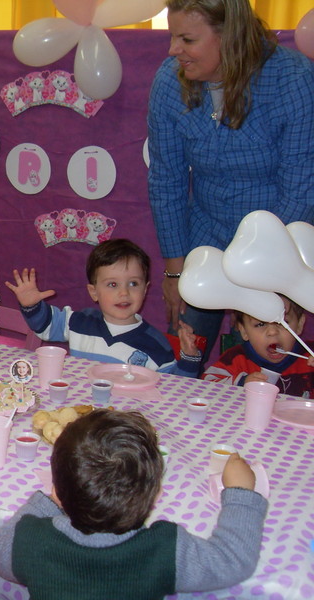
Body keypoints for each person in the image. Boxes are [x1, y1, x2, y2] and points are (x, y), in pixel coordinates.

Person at [147, 0, 314, 364]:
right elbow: (166, 180)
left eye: (187, 39)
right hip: (205, 235)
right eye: (173, 36)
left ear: (229, 36)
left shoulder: (293, 79)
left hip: (276, 242)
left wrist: (273, 275)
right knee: (183, 356)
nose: (173, 49)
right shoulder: (169, 81)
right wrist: (175, 271)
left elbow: (301, 188)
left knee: (263, 364)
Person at [0, 409, 268, 598]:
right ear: (155, 493)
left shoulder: (32, 541)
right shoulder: (163, 550)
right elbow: (233, 560)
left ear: (58, 487)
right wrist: (241, 493)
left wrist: (48, 501)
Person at [6, 239, 201, 377]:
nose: (124, 293)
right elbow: (46, 326)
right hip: (81, 408)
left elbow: (175, 387)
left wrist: (189, 358)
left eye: (133, 283)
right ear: (94, 292)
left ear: (145, 289)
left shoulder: (155, 344)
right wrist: (31, 305)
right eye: (112, 284)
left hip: (124, 417)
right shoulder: (79, 322)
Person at [203, 296, 314, 397]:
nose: (272, 332)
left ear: (299, 324)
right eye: (260, 324)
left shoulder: (310, 356)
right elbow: (206, 385)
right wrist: (241, 383)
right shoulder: (234, 359)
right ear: (244, 331)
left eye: (282, 322)